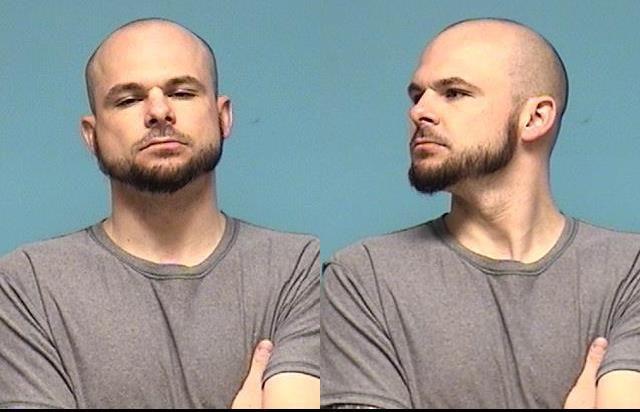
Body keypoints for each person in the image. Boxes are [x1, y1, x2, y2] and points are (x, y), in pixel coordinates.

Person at [321, 18, 640, 408]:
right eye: (417, 96)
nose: (420, 112)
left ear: (535, 118)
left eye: (454, 93)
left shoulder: (630, 270)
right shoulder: (363, 278)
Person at [0, 18, 319, 408]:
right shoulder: (26, 285)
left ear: (223, 117)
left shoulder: (296, 268)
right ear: (91, 135)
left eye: (182, 92)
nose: (159, 111)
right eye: (128, 100)